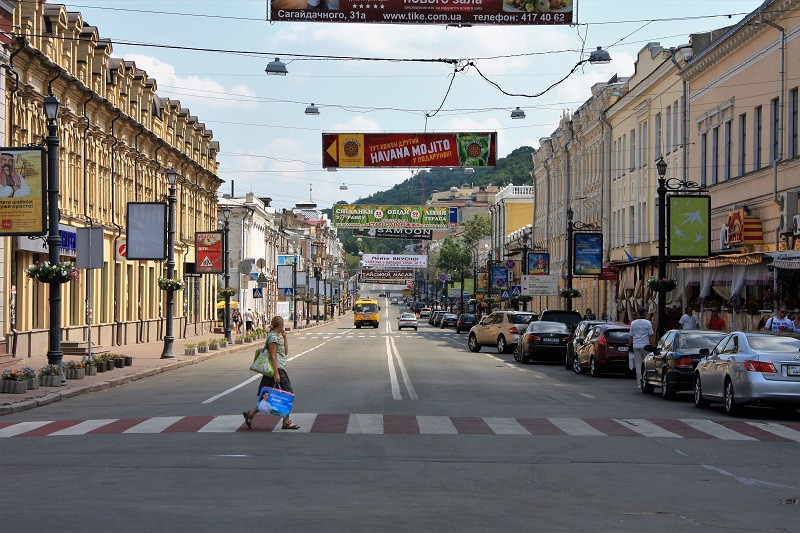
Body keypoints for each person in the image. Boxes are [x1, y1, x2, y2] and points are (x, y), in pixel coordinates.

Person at [243, 315, 300, 430]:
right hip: (277, 369)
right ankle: (286, 421)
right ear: (281, 325)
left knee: (267, 395)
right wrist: (276, 373)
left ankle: (250, 414)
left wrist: (285, 338)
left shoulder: (277, 336)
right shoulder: (273, 337)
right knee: (288, 393)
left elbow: (286, 352)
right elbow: (273, 356)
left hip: (277, 368)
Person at [627, 309, 655, 389]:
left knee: (638, 365)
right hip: (645, 346)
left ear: (638, 314)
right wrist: (653, 345)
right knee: (646, 365)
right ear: (645, 314)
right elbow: (651, 335)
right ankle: (646, 380)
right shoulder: (648, 323)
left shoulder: (633, 323)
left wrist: (629, 346)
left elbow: (631, 336)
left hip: (636, 345)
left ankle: (639, 382)